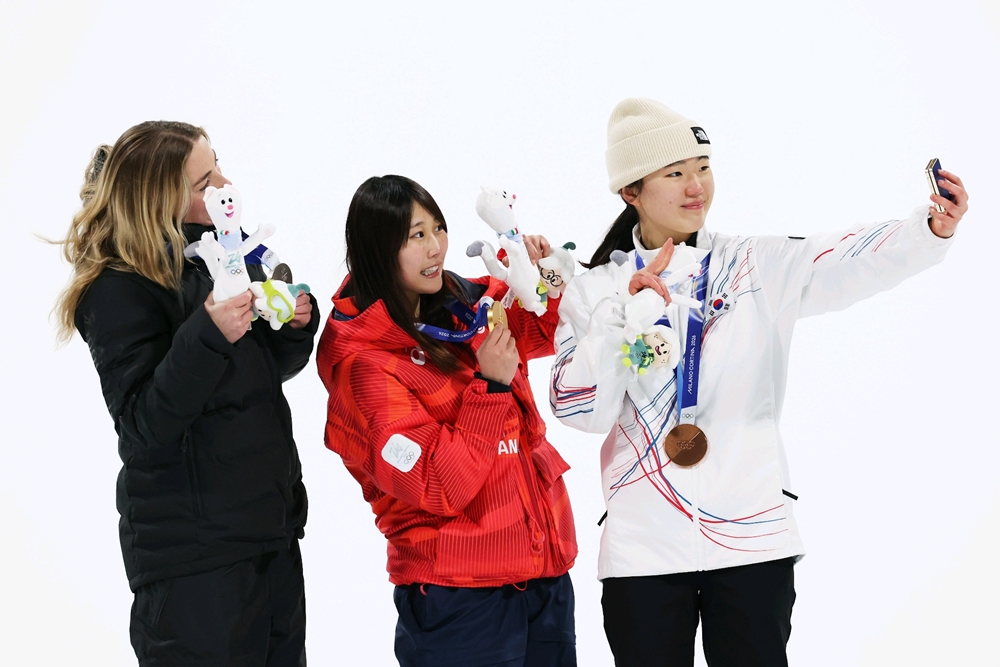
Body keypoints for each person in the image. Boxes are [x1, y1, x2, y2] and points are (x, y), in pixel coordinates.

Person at [549, 98, 968, 667]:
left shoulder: (753, 266)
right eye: (675, 173)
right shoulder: (596, 290)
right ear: (631, 191)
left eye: (702, 167)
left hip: (751, 538)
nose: (696, 185)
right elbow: (578, 409)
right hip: (643, 548)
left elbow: (841, 256)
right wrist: (625, 317)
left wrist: (927, 229)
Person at [53, 121, 318, 666]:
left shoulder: (218, 257)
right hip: (195, 567)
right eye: (203, 182)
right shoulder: (117, 288)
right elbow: (144, 428)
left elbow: (253, 377)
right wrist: (209, 332)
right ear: (160, 197)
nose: (223, 183)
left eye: (217, 164)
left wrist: (291, 327)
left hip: (267, 539)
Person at [316, 175, 578, 667]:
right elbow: (438, 483)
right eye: (416, 235)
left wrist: (544, 274)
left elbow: (538, 323)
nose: (436, 247)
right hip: (458, 598)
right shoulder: (364, 367)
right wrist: (492, 387)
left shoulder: (460, 303)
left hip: (541, 576)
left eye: (438, 228)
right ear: (376, 248)